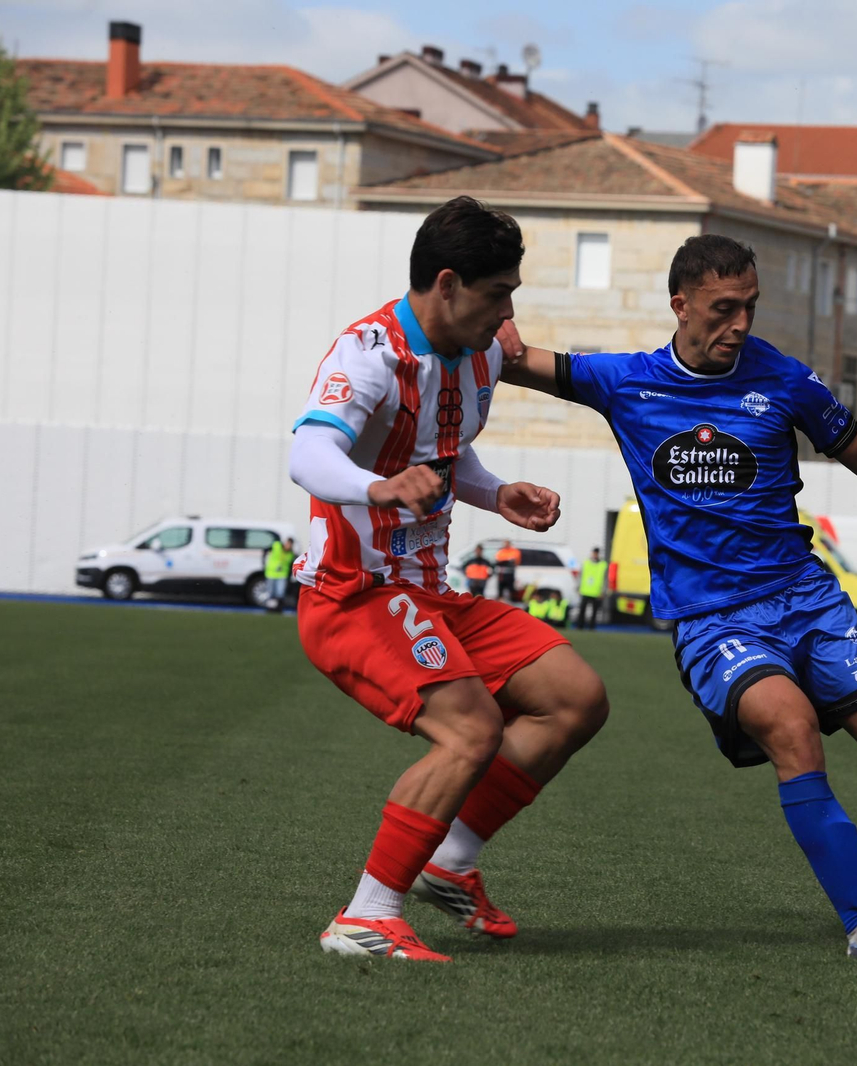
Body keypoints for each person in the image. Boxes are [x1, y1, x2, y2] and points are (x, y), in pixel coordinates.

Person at [498, 234, 857, 959]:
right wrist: (493, 327)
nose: (741, 324)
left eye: (749, 307)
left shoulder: (783, 380)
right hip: (713, 620)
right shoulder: (624, 381)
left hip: (805, 603)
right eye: (725, 309)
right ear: (681, 305)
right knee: (791, 729)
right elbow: (510, 358)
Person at [288, 196, 609, 964]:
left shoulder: (482, 349)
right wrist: (378, 488)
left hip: (429, 593)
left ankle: (449, 859)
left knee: (576, 698)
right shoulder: (369, 353)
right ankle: (365, 918)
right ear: (445, 284)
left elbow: (445, 449)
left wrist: (494, 492)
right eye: (498, 292)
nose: (509, 313)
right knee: (471, 730)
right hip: (354, 594)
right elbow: (308, 451)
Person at [577, 547, 606, 630]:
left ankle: (591, 627)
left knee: (594, 612)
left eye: (596, 553)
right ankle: (580, 626)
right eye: (594, 553)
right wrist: (578, 588)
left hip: (596, 592)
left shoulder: (603, 565)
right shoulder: (586, 563)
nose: (595, 555)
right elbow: (580, 576)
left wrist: (603, 591)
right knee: (582, 610)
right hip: (585, 591)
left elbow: (604, 579)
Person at [264, 535, 295, 611]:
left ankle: (278, 608)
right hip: (271, 573)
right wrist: (264, 563)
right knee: (270, 592)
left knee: (280, 593)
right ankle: (270, 608)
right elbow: (266, 551)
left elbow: (290, 565)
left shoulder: (291, 554)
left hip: (282, 575)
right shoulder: (276, 546)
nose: (288, 546)